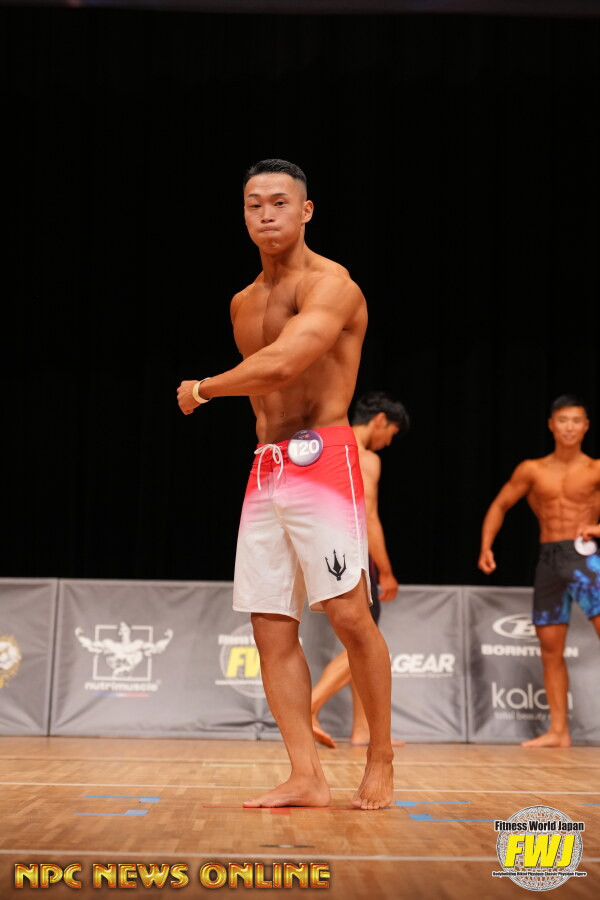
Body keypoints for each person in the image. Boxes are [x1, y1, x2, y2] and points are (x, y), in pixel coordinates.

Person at [177, 159, 394, 809]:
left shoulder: (334, 285)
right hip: (267, 465)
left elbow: (284, 363)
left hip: (323, 456)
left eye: (279, 202)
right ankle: (306, 775)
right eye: (254, 204)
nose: (266, 213)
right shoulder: (242, 301)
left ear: (306, 211)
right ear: (243, 215)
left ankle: (381, 756)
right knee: (270, 627)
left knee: (350, 614)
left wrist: (202, 389)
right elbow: (264, 388)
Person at [478, 395, 600, 748]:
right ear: (551, 425)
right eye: (563, 420)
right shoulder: (532, 469)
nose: (569, 427)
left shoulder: (595, 469)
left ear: (586, 426)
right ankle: (558, 731)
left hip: (587, 561)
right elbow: (500, 505)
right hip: (549, 560)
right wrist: (486, 546)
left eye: (576, 421)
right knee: (550, 649)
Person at [311, 391, 409, 749]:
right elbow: (368, 516)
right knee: (366, 642)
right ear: (380, 419)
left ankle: (362, 729)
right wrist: (387, 570)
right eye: (391, 433)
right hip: (351, 551)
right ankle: (309, 706)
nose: (388, 442)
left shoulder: (325, 444)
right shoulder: (364, 457)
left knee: (358, 639)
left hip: (320, 548)